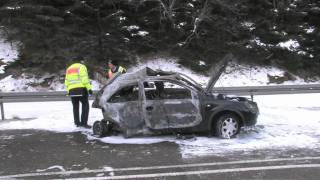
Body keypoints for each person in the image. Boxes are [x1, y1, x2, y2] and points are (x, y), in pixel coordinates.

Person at [65, 61, 93, 128]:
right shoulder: (81, 67)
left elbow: (66, 82)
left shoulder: (69, 68)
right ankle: (84, 123)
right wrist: (89, 89)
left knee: (75, 106)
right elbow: (84, 79)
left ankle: (77, 123)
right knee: (85, 105)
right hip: (81, 89)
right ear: (81, 61)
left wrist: (68, 90)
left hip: (72, 90)